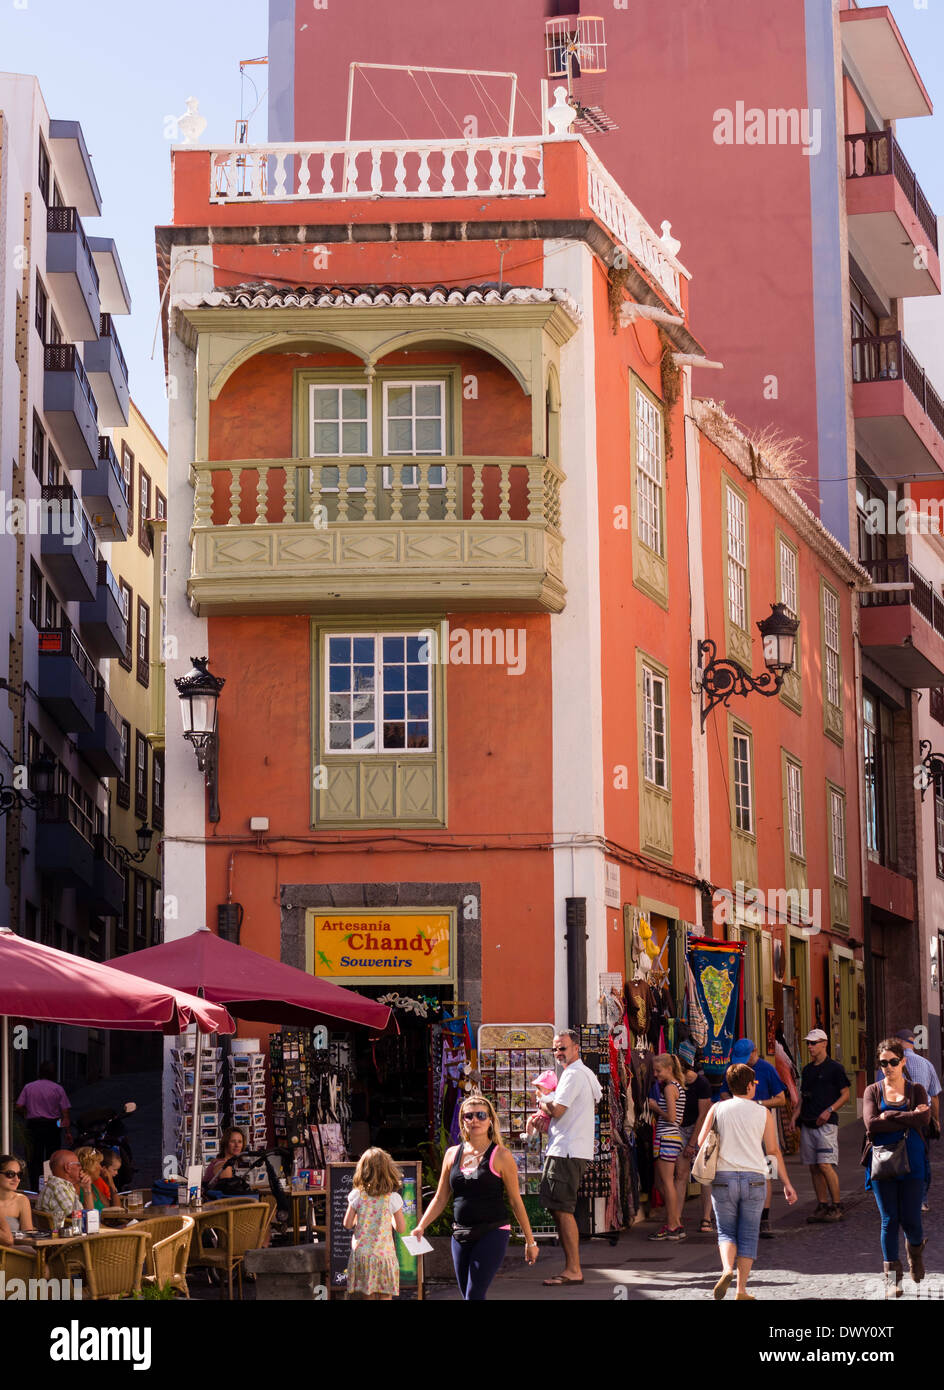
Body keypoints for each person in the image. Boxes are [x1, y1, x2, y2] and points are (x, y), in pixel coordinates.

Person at [415, 1093, 539, 1300]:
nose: (475, 1120)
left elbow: (515, 1201)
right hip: (460, 1234)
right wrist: (422, 1225)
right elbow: (440, 1197)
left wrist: (530, 1241)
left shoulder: (501, 1155)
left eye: (481, 1115)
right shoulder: (452, 1154)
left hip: (492, 1231)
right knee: (468, 1295)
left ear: (490, 1120)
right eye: (469, 1116)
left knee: (474, 1295)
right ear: (463, 1121)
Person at [699, 1063, 797, 1300]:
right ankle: (741, 1290)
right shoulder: (762, 1112)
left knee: (726, 1232)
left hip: (723, 1177)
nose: (756, 1086)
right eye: (754, 1083)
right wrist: (786, 1183)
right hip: (754, 1179)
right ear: (750, 1086)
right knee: (749, 1235)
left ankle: (726, 1269)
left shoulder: (718, 1108)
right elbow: (773, 1150)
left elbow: (702, 1140)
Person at [864, 1038, 930, 1298]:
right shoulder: (873, 1091)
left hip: (913, 1163)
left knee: (912, 1219)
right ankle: (893, 1280)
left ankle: (915, 1253)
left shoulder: (917, 1090)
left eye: (893, 1062)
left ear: (903, 1061)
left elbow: (924, 1119)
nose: (888, 1067)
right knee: (889, 1220)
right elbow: (871, 1124)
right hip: (882, 1164)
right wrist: (908, 1118)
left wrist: (889, 1116)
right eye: (883, 1063)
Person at [538, 1028, 602, 1286]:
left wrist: (543, 1100)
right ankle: (572, 1267)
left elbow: (558, 1110)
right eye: (555, 1049)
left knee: (562, 1210)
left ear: (576, 1048)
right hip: (575, 1148)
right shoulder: (585, 1073)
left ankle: (573, 1269)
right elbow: (595, 1098)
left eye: (562, 1048)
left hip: (565, 1149)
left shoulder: (573, 1074)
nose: (558, 1053)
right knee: (560, 1208)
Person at [721, 1038, 786, 1238]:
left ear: (754, 1052)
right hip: (740, 1126)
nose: (743, 1063)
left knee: (766, 1171)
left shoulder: (767, 1069)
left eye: (745, 1058)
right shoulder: (734, 1070)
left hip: (762, 1122)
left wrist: (757, 1103)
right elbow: (723, 1093)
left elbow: (781, 1099)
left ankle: (763, 1219)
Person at [874, 1029, 940, 1213]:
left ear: (897, 1041)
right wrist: (935, 1118)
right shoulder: (926, 1064)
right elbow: (934, 1096)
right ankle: (922, 1199)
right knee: (922, 1158)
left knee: (895, 1155)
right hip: (921, 1119)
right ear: (913, 1041)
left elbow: (880, 1092)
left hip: (894, 1120)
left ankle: (896, 1197)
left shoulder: (887, 1064)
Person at [791, 1028, 850, 1223]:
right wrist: (794, 1117)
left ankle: (837, 1204)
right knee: (814, 1167)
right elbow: (802, 1097)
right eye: (808, 1043)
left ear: (824, 1043)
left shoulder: (835, 1068)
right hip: (808, 1123)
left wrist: (830, 1109)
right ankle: (822, 1204)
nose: (810, 1047)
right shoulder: (807, 1070)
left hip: (826, 1125)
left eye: (813, 1043)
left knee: (825, 1164)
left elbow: (846, 1095)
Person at [342, 1147, 407, 1300]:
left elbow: (347, 1223)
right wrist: (388, 1217)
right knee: (385, 1295)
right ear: (388, 1171)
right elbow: (401, 1228)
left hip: (363, 1255)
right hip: (385, 1256)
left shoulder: (357, 1195)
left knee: (368, 1295)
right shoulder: (392, 1198)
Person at [675, 1041, 713, 1235]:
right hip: (682, 1128)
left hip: (702, 1130)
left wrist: (692, 1144)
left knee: (704, 1176)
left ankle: (706, 1217)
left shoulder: (701, 1084)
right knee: (681, 1174)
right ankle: (676, 1218)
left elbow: (703, 1116)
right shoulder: (676, 1083)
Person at [15, 1061, 71, 1190]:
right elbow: (65, 1113)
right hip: (53, 1125)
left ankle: (35, 1188)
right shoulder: (58, 1088)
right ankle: (51, 1186)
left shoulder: (29, 1087)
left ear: (39, 1072)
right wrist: (67, 1132)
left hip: (34, 1125)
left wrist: (26, 1114)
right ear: (53, 1073)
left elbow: (18, 1106)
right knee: (53, 1157)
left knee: (34, 1158)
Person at [648, 1053, 687, 1240]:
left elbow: (671, 1117)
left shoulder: (670, 1088)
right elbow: (678, 1118)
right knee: (661, 1182)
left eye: (658, 1070)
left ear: (669, 1069)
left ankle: (673, 1224)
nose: (656, 1074)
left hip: (667, 1136)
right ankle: (675, 1221)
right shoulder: (678, 1087)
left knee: (666, 1182)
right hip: (672, 1136)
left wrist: (655, 1108)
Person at [36, 1149, 94, 1227]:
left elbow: (87, 1215)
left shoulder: (64, 1186)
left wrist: (87, 1188)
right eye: (78, 1164)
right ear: (68, 1168)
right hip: (67, 1237)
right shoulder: (58, 1186)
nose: (81, 1168)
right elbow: (79, 1219)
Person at [0, 1154, 34, 1240]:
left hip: (18, 1250)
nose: (16, 1179)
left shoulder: (21, 1200)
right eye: (10, 1174)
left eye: (19, 1174)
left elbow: (28, 1235)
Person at [521, 1069, 558, 1143]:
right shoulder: (549, 1093)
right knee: (532, 1121)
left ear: (549, 1088)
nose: (538, 1090)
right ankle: (532, 1134)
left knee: (530, 1120)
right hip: (542, 1115)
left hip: (547, 1119)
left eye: (539, 1088)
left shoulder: (552, 1095)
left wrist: (540, 1097)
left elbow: (547, 1100)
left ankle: (529, 1135)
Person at [75, 1148, 107, 1212]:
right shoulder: (77, 1188)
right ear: (89, 1165)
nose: (101, 1168)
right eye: (99, 1163)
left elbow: (109, 1206)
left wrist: (111, 1184)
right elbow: (87, 1215)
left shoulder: (93, 1186)